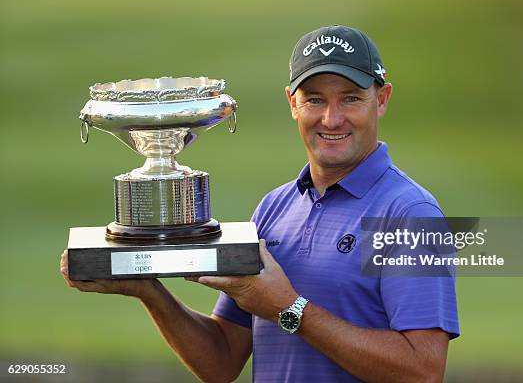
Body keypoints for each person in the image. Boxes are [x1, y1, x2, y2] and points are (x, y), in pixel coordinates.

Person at [60, 25, 459, 383]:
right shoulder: (274, 208)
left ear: (382, 99)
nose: (331, 119)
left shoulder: (410, 213)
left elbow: (422, 371)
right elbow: (221, 361)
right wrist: (148, 289)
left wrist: (290, 308)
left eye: (351, 99)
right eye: (315, 100)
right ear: (292, 103)